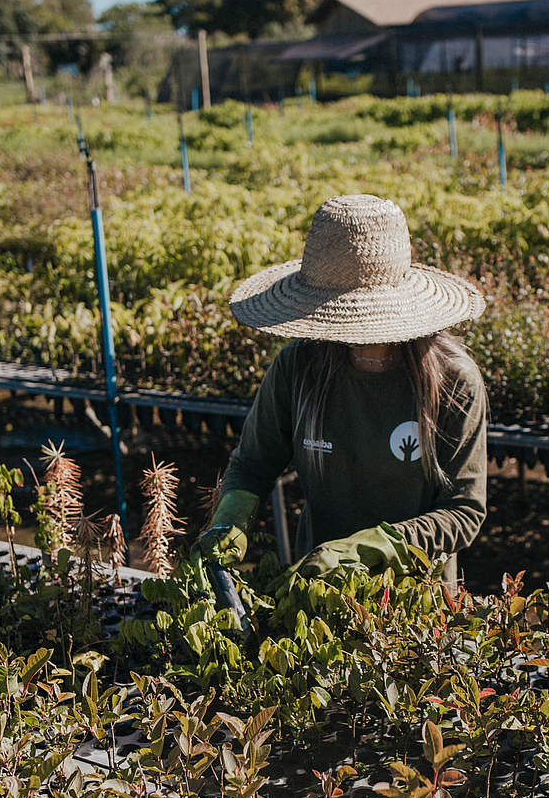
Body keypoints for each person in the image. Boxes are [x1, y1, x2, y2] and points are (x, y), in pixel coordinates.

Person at [194, 194, 488, 586]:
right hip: (316, 592)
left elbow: (463, 511)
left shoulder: (453, 382)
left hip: (416, 599)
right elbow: (253, 463)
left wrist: (364, 549)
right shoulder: (298, 367)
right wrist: (229, 521)